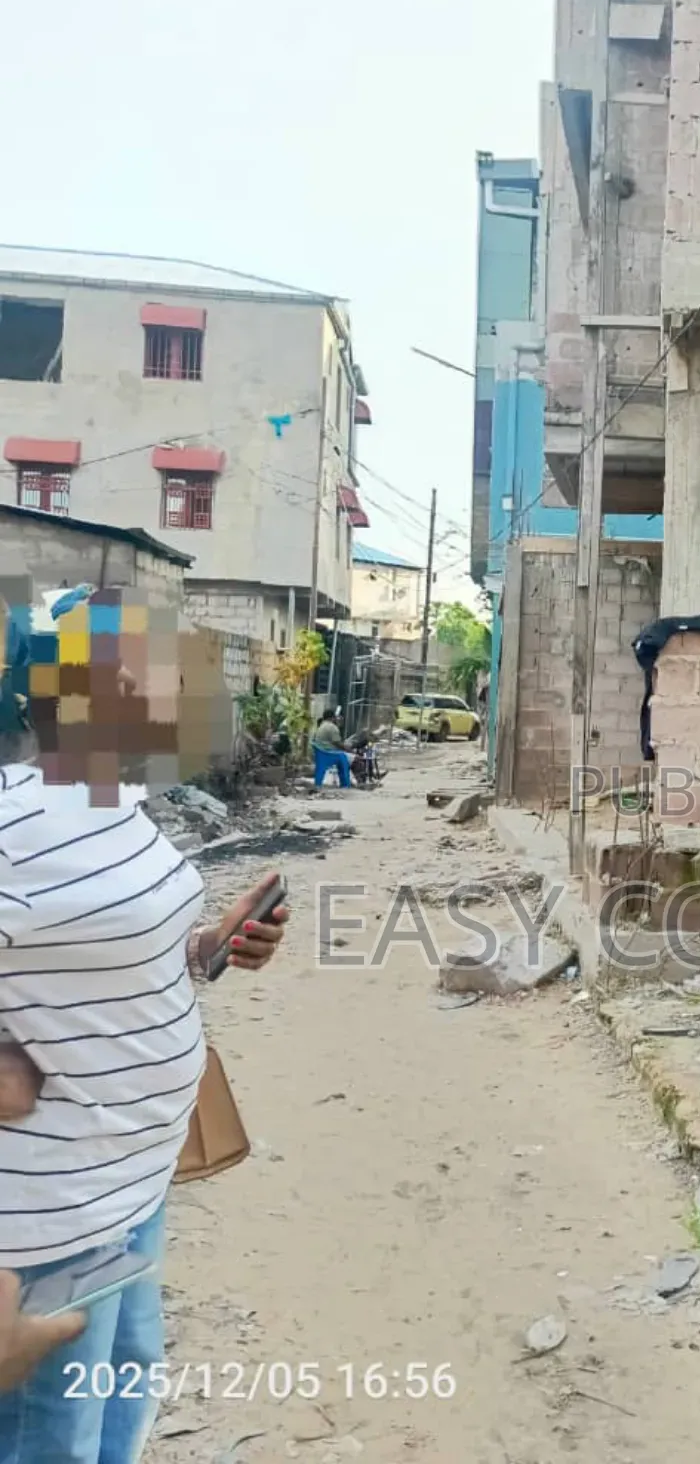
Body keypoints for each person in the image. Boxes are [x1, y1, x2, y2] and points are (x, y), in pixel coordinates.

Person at [0, 585, 289, 1463]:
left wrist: (207, 948)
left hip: (135, 1178)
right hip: (45, 1215)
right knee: (56, 1438)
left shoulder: (108, 798)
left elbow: (95, 949)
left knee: (123, 1385)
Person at [310, 709, 351, 789]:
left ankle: (318, 784)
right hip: (327, 753)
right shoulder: (332, 727)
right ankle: (345, 784)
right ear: (332, 718)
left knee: (320, 769)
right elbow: (337, 743)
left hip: (320, 752)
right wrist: (347, 749)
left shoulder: (321, 725)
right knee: (343, 758)